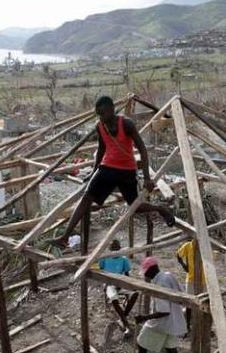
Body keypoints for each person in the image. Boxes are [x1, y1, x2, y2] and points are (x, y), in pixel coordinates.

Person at [51, 96, 175, 248]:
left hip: (127, 170)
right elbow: (102, 150)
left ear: (111, 110)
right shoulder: (100, 126)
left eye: (102, 113)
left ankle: (161, 209)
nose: (101, 117)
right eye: (98, 114)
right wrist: (93, 173)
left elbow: (142, 149)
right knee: (86, 198)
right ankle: (65, 237)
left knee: (135, 207)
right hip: (107, 168)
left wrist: (148, 178)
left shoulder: (126, 124)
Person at [135, 256, 187, 353]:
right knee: (171, 349)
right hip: (175, 320)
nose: (145, 275)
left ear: (151, 269)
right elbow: (182, 293)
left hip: (162, 322)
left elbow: (164, 311)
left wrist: (144, 318)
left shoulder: (159, 284)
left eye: (146, 272)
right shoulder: (169, 275)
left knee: (141, 342)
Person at [98, 239, 138, 336]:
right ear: (110, 249)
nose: (115, 251)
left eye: (116, 249)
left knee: (135, 294)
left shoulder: (123, 259)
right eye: (113, 249)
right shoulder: (104, 258)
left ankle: (122, 317)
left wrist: (129, 285)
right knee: (114, 299)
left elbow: (127, 274)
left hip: (121, 282)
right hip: (109, 283)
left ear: (119, 249)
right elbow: (101, 271)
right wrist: (105, 284)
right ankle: (126, 324)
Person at [176, 240, 206, 330]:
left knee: (203, 303)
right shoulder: (188, 246)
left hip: (203, 280)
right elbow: (178, 255)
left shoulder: (205, 247)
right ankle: (187, 326)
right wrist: (184, 265)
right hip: (191, 279)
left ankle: (200, 325)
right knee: (189, 303)